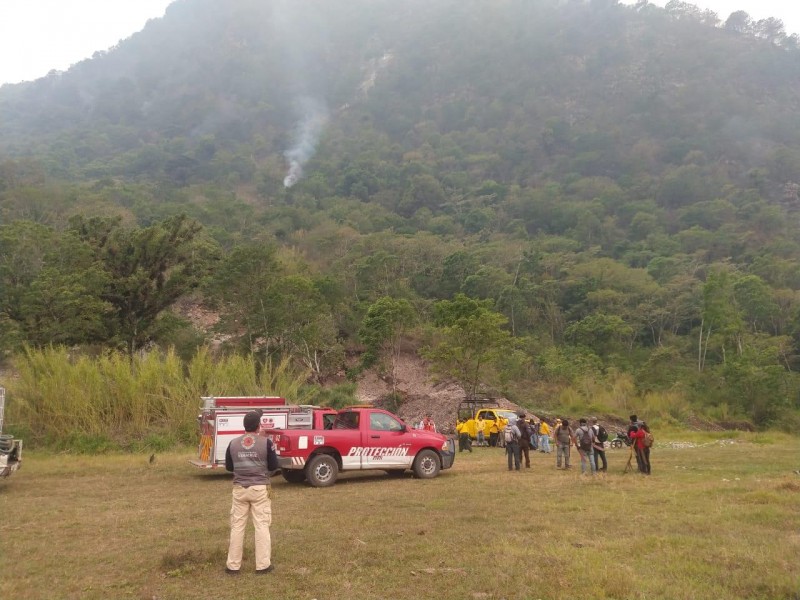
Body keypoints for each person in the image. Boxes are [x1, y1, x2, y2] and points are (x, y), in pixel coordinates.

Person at [225, 410, 279, 575]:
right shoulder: (266, 442)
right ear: (258, 426)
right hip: (259, 489)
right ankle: (262, 565)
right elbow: (273, 466)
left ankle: (233, 566)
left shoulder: (233, 443)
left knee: (237, 527)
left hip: (240, 489)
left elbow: (229, 467)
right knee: (261, 525)